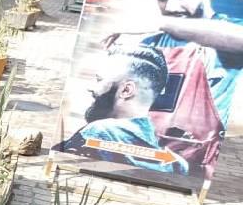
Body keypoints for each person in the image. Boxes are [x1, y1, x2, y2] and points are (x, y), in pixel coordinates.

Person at [109, 0, 243, 129]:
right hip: (146, 140)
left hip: (197, 147)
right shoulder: (151, 42)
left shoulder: (229, 30)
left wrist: (160, 22)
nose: (171, 7)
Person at [55, 46, 190, 175]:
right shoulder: (177, 165)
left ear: (126, 90)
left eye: (99, 80)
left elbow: (59, 164)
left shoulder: (98, 132)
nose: (91, 88)